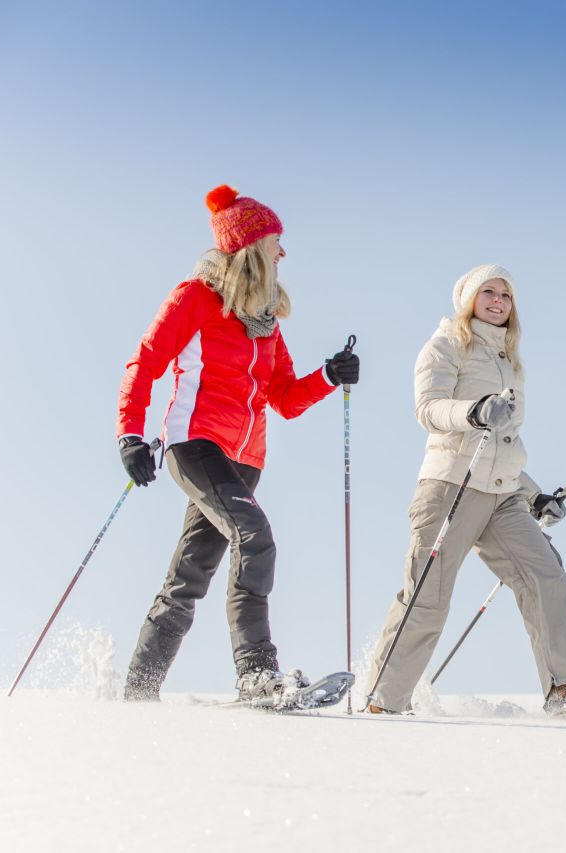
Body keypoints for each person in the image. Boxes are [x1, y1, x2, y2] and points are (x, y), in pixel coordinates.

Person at [116, 184, 360, 704]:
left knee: (190, 575)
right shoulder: (195, 299)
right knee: (257, 537)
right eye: (277, 240)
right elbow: (145, 361)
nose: (283, 252)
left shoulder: (266, 323)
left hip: (245, 460)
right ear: (252, 246)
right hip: (196, 445)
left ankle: (138, 689)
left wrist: (329, 375)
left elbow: (285, 398)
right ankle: (256, 673)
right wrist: (131, 435)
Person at [365, 263, 566, 715]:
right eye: (488, 292)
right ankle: (382, 702)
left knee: (545, 575)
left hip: (503, 493)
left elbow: (501, 443)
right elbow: (429, 408)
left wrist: (534, 495)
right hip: (451, 484)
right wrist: (474, 410)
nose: (498, 301)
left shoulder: (510, 360)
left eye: (506, 295)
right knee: (428, 597)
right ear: (468, 298)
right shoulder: (446, 344)